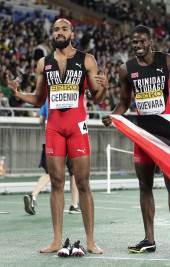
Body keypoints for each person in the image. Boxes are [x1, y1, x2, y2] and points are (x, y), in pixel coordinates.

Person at [7, 18, 107, 255]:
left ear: (72, 33)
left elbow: (97, 97)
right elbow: (40, 99)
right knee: (57, 183)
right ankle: (56, 240)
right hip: (54, 128)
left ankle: (91, 241)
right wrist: (18, 93)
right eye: (55, 30)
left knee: (83, 183)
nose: (59, 33)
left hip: (77, 127)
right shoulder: (44, 63)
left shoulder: (87, 59)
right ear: (52, 34)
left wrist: (104, 85)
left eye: (64, 29)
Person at [102, 25, 170, 255]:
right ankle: (149, 239)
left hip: (167, 134)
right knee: (145, 186)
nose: (138, 46)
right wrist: (114, 116)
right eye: (134, 43)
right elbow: (124, 102)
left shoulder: (168, 61)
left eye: (141, 42)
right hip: (143, 134)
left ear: (150, 42)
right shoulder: (127, 70)